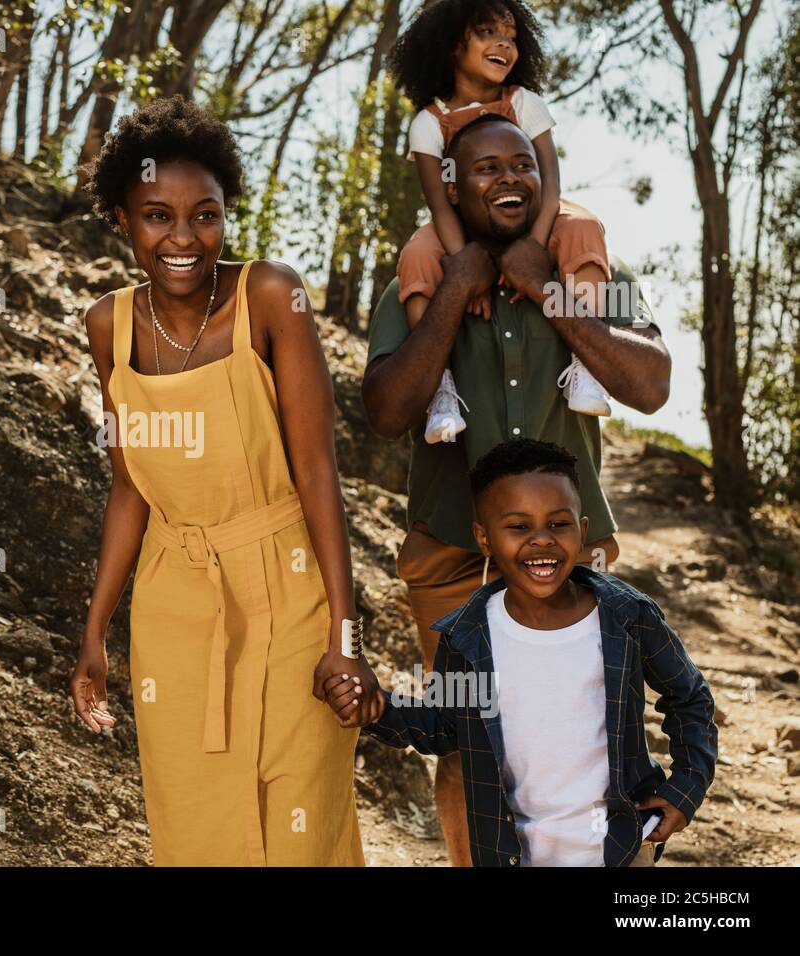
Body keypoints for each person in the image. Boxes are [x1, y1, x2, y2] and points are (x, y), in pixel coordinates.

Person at [68, 96, 376, 866]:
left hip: (290, 590)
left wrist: (345, 636)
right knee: (197, 824)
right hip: (175, 607)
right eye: (157, 216)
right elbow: (130, 487)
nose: (182, 237)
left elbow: (316, 470)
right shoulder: (106, 325)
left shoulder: (271, 295)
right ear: (121, 220)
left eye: (205, 215)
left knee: (301, 815)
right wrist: (96, 632)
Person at [360, 113, 673, 865]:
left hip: (566, 550)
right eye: (486, 170)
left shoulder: (586, 268)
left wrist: (548, 293)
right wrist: (455, 291)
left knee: (578, 730)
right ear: (453, 193)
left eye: (521, 166)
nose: (508, 179)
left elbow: (653, 385)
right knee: (469, 734)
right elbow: (386, 411)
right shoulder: (423, 276)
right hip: (450, 548)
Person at [323, 439, 718, 867]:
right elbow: (444, 726)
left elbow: (689, 696)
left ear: (582, 531)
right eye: (518, 527)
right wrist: (379, 710)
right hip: (511, 855)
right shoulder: (465, 636)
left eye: (558, 524)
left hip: (619, 850)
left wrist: (685, 788)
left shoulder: (627, 617)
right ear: (485, 539)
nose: (541, 541)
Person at [390, 0, 614, 442]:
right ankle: (441, 390)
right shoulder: (429, 124)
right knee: (417, 254)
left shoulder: (524, 103)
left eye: (511, 38)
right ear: (454, 44)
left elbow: (550, 181)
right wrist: (465, 270)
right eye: (489, 33)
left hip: (533, 216)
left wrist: (533, 244)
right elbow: (440, 206)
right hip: (463, 226)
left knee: (585, 227)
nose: (504, 45)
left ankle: (586, 362)